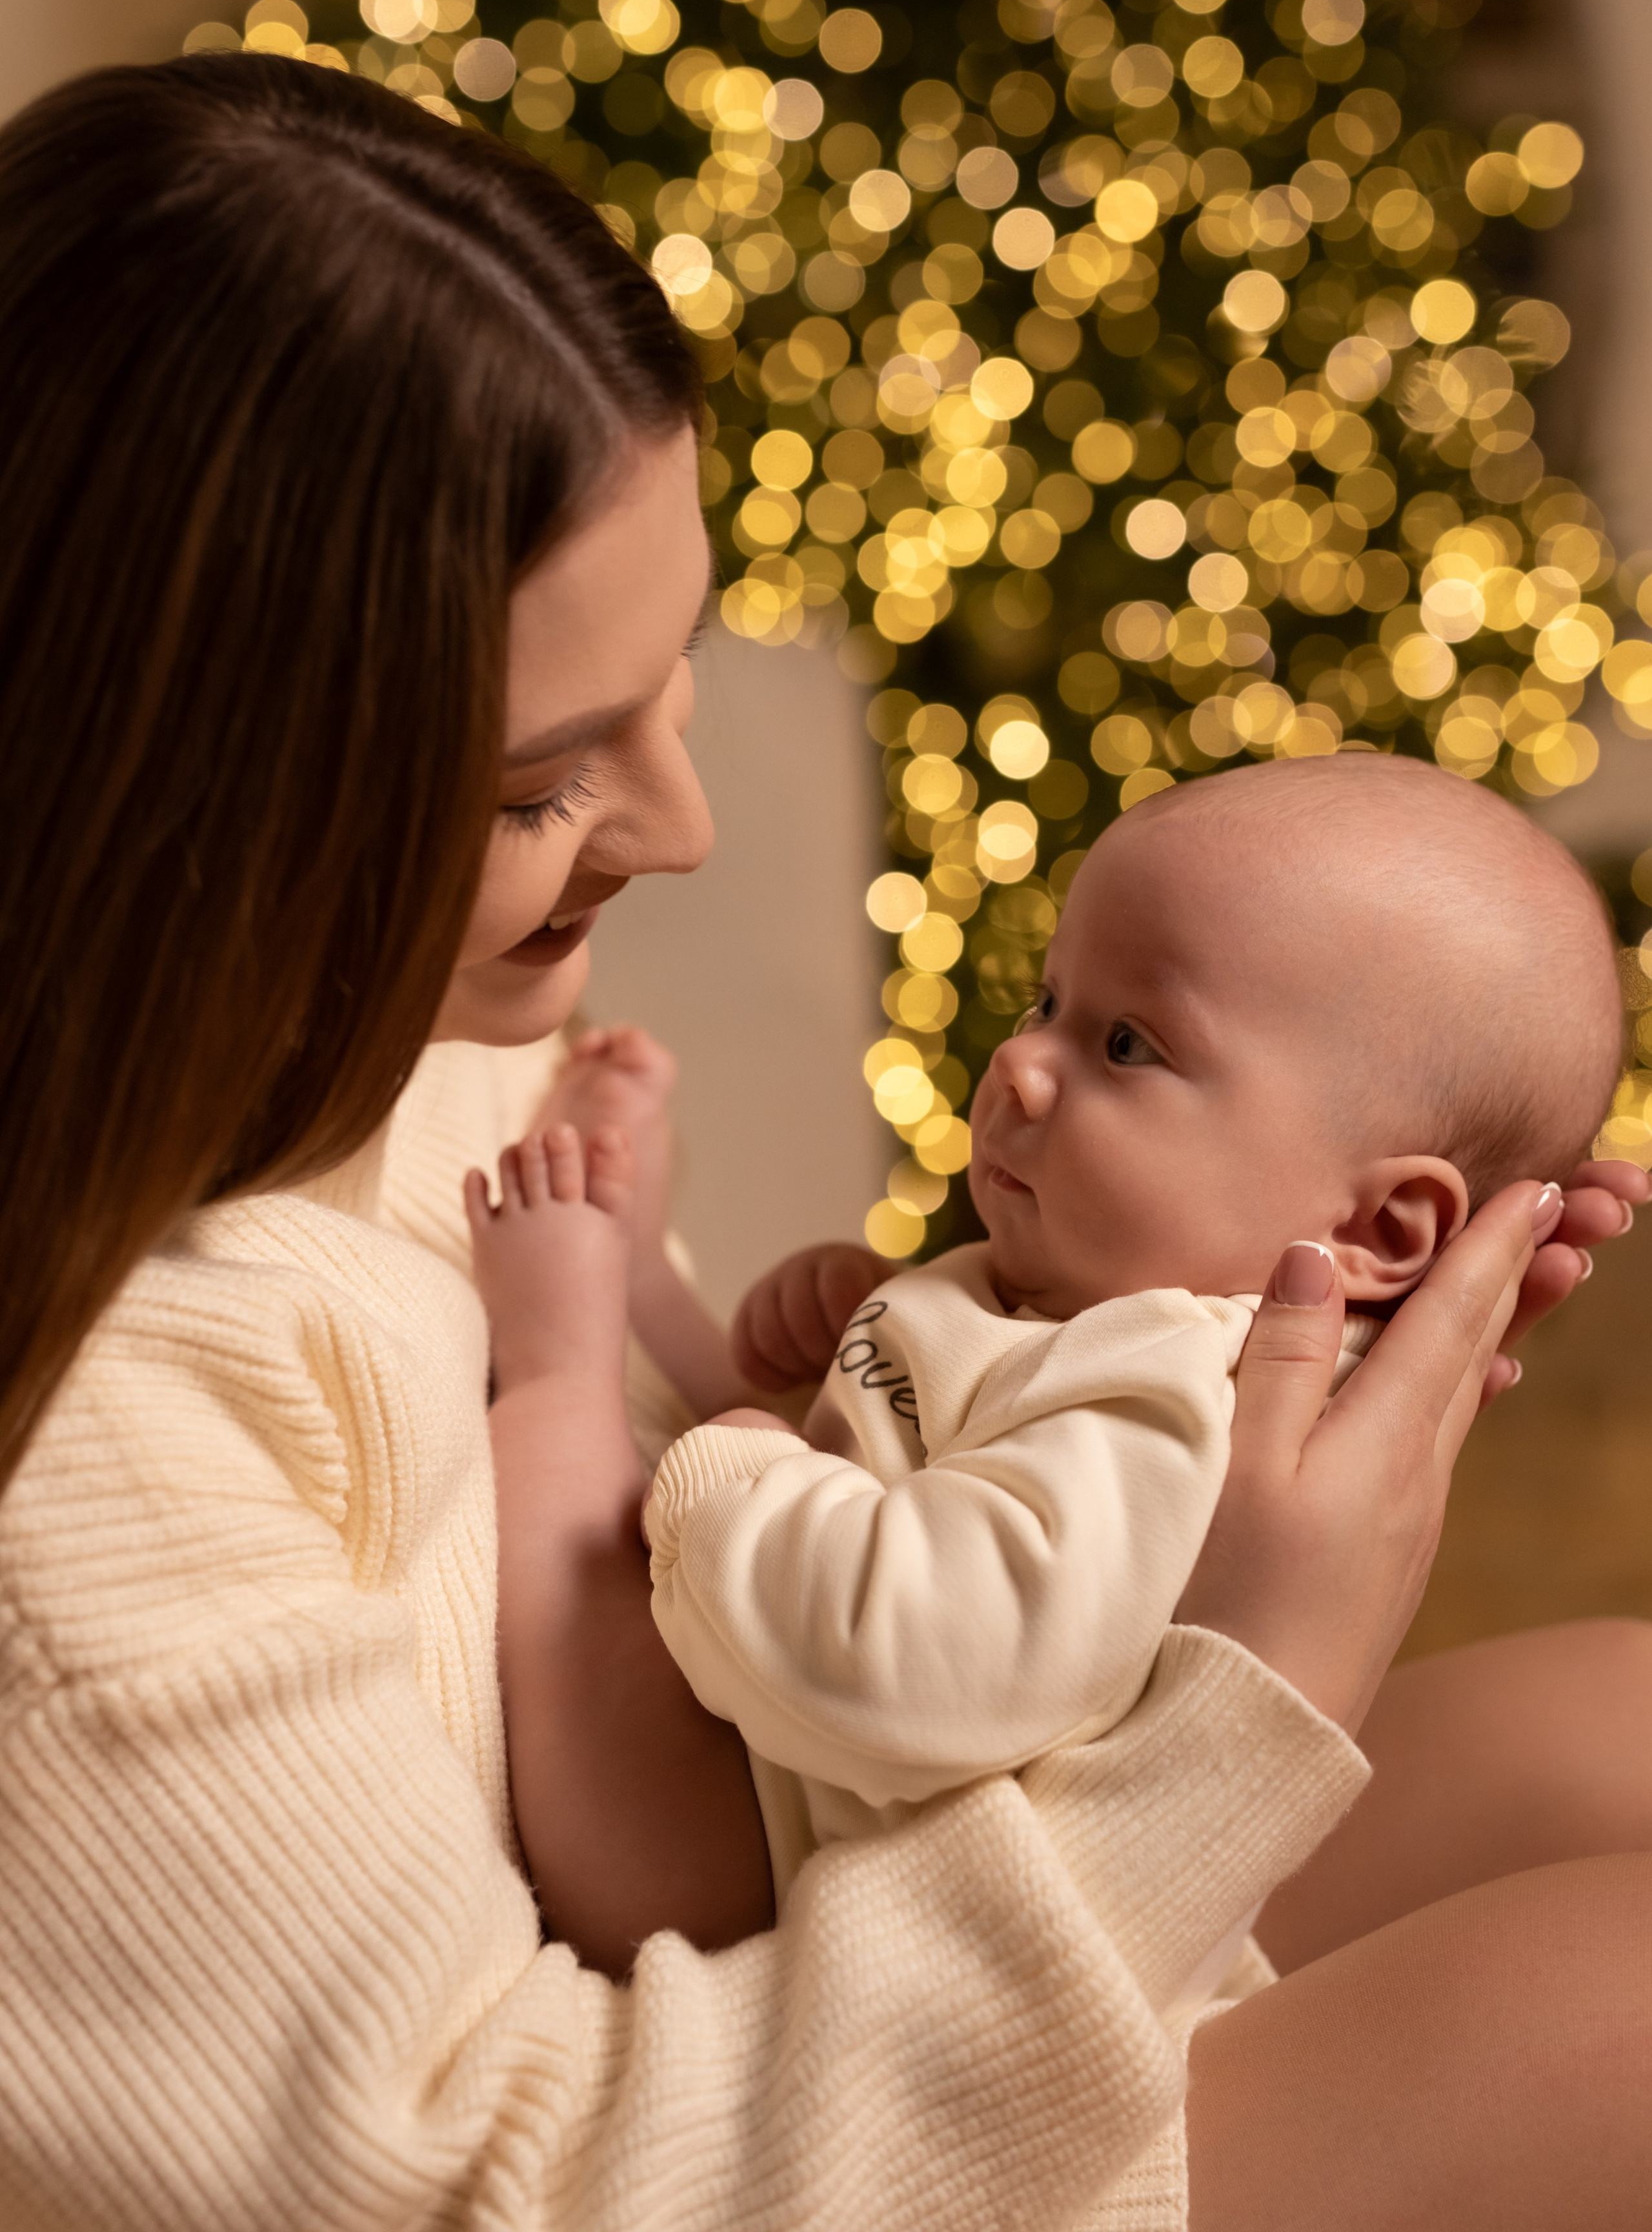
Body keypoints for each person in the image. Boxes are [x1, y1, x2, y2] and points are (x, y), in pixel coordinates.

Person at [0, 54, 1644, 2232]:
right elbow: (523, 2176)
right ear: (196, 798)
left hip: (825, 1858)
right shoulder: (76, 1513)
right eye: (541, 784)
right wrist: (1255, 1687)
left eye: (672, 681)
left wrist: (1047, 1345)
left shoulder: (384, 1016)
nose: (679, 830)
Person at [467, 757, 1621, 1957]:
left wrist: (741, 1460)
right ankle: (634, 1276)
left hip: (730, 1863)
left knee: (622, 1505)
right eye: (1047, 1003)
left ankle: (557, 1353)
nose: (1019, 1064)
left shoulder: (1165, 1405)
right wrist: (857, 1347)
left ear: (1377, 1228)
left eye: (1127, 1043)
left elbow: (896, 1660)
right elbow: (881, 1502)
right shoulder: (1085, 1305)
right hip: (774, 1752)